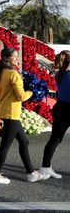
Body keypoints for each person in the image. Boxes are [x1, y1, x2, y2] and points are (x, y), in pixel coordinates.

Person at [0, 47, 49, 184]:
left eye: (17, 56)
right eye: (14, 56)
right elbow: (21, 96)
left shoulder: (2, 72)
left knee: (24, 141)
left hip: (5, 111)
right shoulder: (13, 74)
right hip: (11, 113)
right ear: (6, 58)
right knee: (5, 145)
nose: (17, 58)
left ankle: (31, 173)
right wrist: (32, 92)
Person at [40, 50, 70, 179]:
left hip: (60, 107)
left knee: (55, 139)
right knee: (55, 139)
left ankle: (45, 167)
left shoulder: (58, 74)